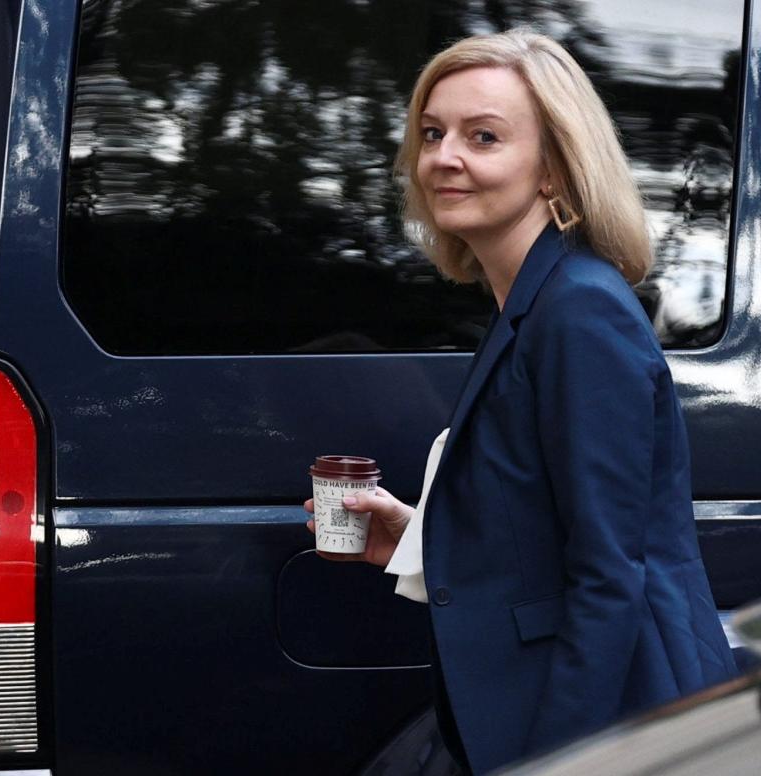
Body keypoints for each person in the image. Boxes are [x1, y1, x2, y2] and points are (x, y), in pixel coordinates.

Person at [304, 29, 739, 775]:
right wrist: (416, 537)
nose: (444, 156)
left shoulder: (580, 313)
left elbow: (609, 574)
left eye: (484, 136)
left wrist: (557, 760)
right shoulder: (535, 300)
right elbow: (538, 525)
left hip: (605, 719)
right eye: (433, 133)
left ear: (552, 169)